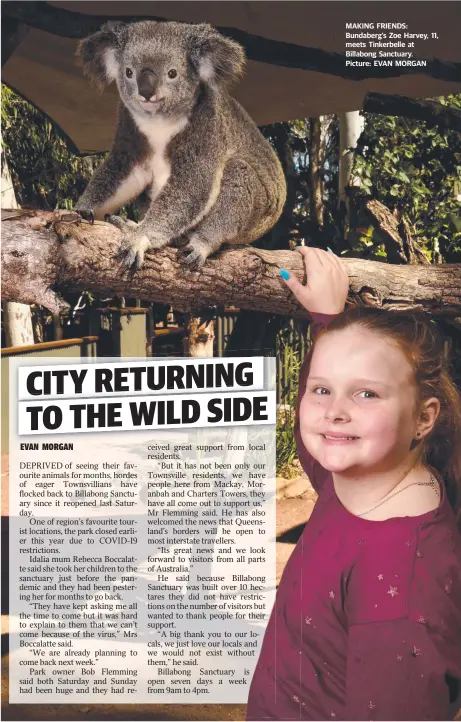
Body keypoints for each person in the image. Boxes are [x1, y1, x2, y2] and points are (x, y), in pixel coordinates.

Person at [246, 247, 461, 721]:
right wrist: (327, 318)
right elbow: (322, 438)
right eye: (321, 389)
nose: (334, 410)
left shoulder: (402, 583)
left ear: (424, 418)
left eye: (367, 393)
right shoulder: (355, 481)